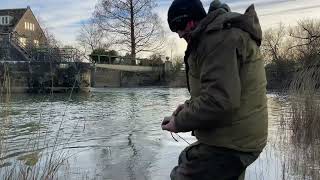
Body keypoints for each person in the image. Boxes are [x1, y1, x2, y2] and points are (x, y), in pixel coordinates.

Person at [161, 0, 268, 179]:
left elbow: (219, 100)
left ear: (192, 20)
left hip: (233, 143)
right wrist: (184, 110)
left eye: (179, 27)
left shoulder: (218, 40)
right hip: (237, 136)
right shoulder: (216, 36)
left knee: (181, 174)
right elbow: (212, 90)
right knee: (185, 157)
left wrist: (179, 123)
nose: (179, 34)